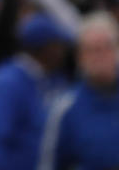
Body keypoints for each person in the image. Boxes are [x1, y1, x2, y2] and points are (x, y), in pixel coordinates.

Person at [0, 13, 72, 170]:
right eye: (58, 44)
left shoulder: (52, 80)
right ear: (44, 47)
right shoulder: (6, 83)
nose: (64, 51)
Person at [38, 11, 119, 170]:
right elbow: (48, 163)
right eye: (92, 50)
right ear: (80, 58)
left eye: (105, 47)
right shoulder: (65, 109)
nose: (100, 56)